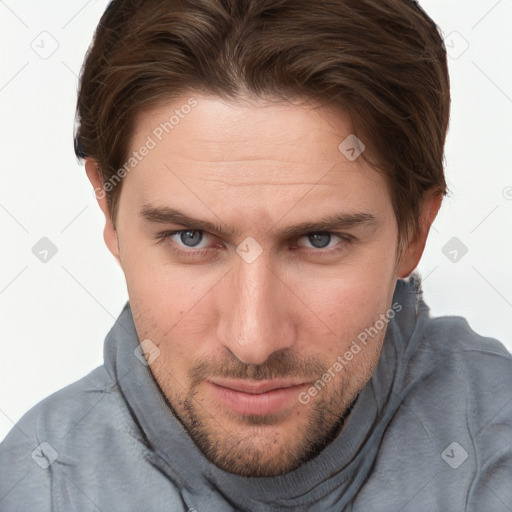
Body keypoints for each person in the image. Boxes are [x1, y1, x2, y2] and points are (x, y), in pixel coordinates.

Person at [1, 0, 511, 510]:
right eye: (191, 238)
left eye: (319, 240)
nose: (254, 341)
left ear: (415, 231)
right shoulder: (35, 488)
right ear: (109, 212)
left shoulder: (495, 442)